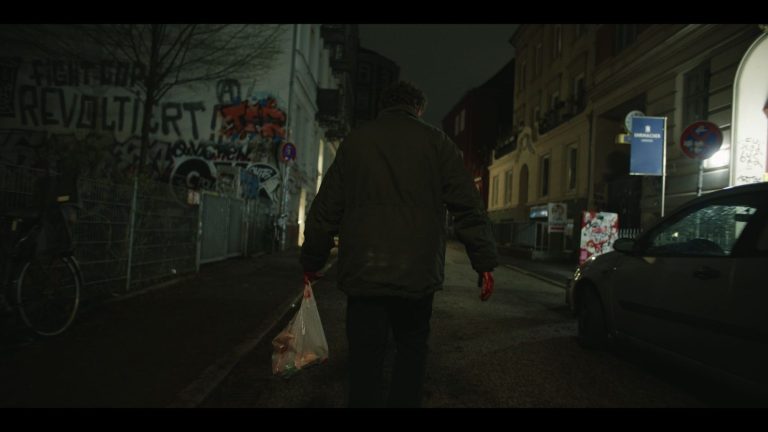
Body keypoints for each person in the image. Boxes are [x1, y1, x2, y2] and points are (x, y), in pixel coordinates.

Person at [300, 81, 498, 408]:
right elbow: (468, 206)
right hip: (417, 273)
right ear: (418, 109)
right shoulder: (437, 143)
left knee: (365, 356)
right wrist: (484, 262)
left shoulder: (357, 141)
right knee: (411, 350)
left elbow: (326, 209)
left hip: (364, 271)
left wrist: (311, 260)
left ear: (384, 106)